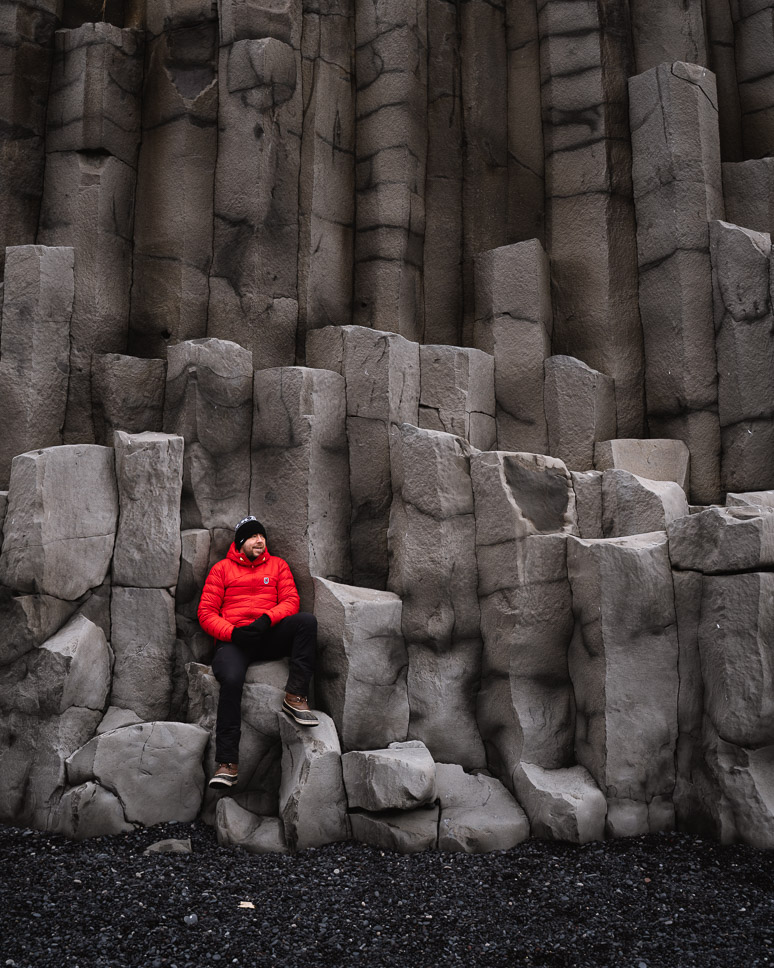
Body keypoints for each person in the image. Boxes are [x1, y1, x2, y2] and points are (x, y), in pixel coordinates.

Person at [198, 515, 319, 789]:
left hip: (268, 635)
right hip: (234, 641)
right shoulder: (221, 570)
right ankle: (227, 764)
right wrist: (233, 633)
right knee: (230, 680)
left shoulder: (278, 566)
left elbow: (291, 601)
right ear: (240, 542)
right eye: (253, 536)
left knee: (306, 623)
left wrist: (266, 619)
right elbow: (205, 613)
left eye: (262, 536)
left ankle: (295, 696)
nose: (260, 541)